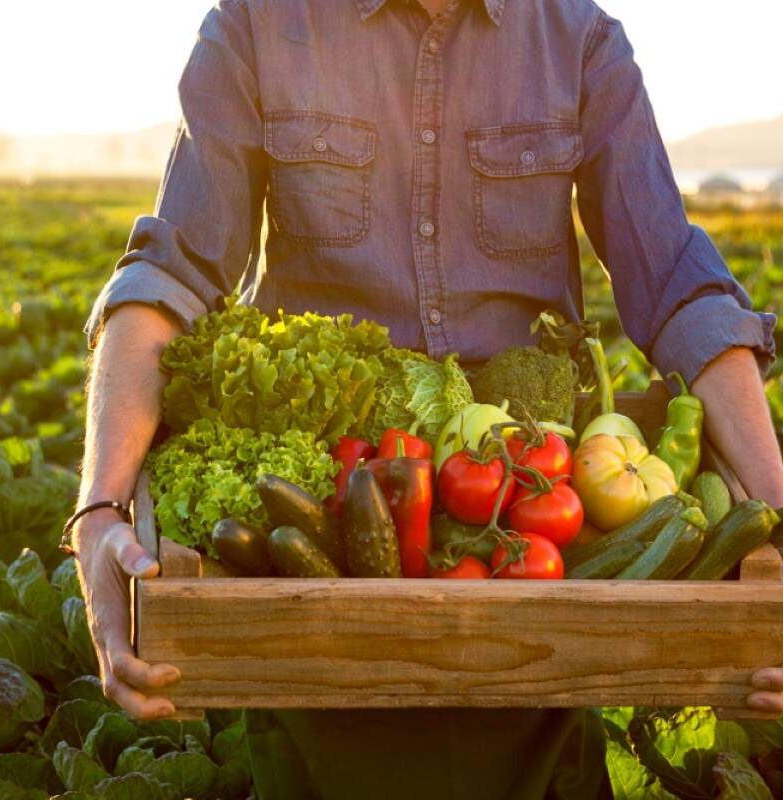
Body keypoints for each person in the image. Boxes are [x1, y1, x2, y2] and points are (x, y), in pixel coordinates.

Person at [71, 0, 783, 797]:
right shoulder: (257, 24)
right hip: (322, 530)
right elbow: (169, 275)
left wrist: (778, 511)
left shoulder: (577, 38)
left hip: (530, 528)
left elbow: (681, 287)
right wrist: (99, 510)